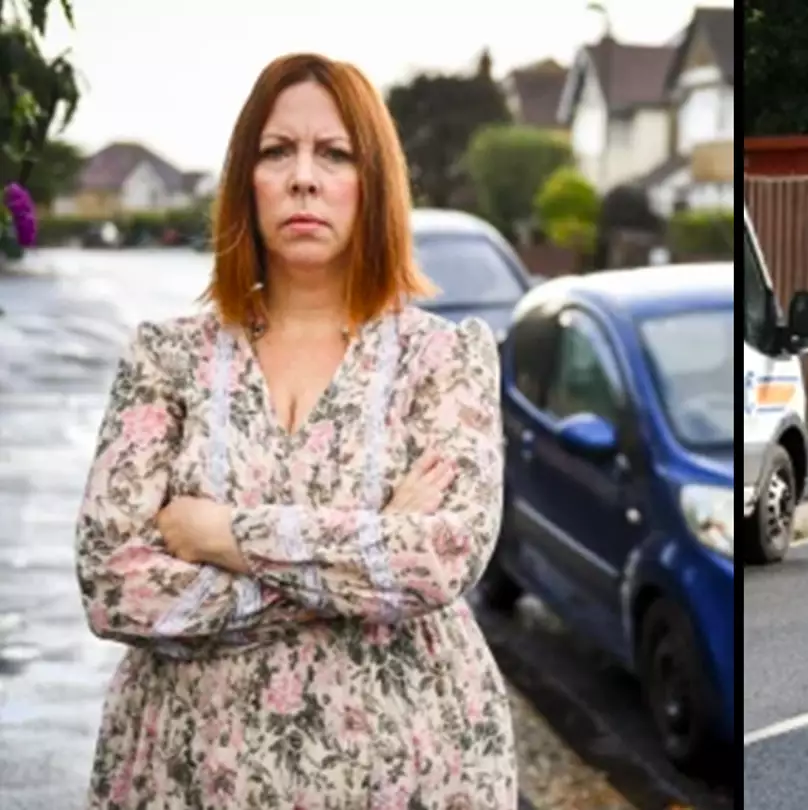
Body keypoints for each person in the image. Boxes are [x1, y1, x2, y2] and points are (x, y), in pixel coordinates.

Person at [73, 53, 515, 809]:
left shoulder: (445, 358)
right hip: (190, 775)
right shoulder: (167, 358)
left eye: (335, 153)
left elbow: (440, 558)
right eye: (278, 151)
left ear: (372, 182)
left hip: (409, 772)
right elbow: (115, 587)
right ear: (246, 179)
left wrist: (222, 536)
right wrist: (365, 547)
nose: (304, 177)